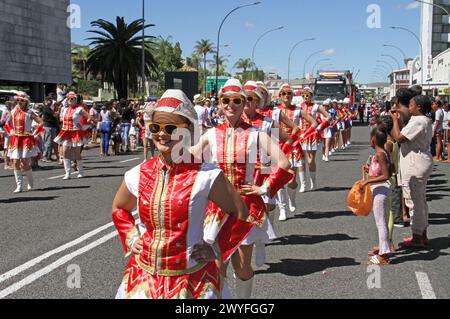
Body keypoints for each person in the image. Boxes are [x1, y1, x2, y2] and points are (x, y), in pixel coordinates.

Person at [112, 89, 252, 299]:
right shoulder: (137, 174)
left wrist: (216, 248)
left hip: (193, 280)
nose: (161, 134)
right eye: (155, 127)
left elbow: (239, 212)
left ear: (187, 130)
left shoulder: (207, 175)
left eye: (170, 127)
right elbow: (119, 209)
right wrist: (132, 238)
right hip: (142, 279)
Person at [192, 79, 293, 299]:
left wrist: (264, 188)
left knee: (242, 266)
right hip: (216, 209)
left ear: (243, 102)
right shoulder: (210, 135)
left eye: (236, 100)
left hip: (244, 208)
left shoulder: (257, 134)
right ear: (219, 103)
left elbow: (284, 163)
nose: (230, 105)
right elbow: (189, 158)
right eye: (225, 100)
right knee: (217, 265)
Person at [390, 94, 433, 248]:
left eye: (411, 104)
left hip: (415, 164)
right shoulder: (423, 120)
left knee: (414, 201)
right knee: (420, 200)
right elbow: (405, 134)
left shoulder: (418, 121)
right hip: (420, 162)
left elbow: (399, 138)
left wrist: (394, 120)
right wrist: (400, 121)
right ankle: (422, 234)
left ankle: (417, 236)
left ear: (419, 107)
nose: (409, 107)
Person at [359, 126, 394, 265]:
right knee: (382, 222)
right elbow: (388, 170)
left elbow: (386, 175)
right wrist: (370, 170)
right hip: (381, 189)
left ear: (373, 140)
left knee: (381, 223)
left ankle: (384, 255)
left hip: (380, 190)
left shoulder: (380, 154)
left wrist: (368, 180)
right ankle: (383, 249)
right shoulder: (383, 152)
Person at [6, 92, 43, 193]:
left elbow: (41, 123)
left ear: (26, 102)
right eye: (17, 100)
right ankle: (19, 186)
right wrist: (10, 131)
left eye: (21, 100)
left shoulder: (30, 112)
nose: (19, 102)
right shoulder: (13, 111)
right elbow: (6, 123)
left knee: (24, 163)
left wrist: (34, 133)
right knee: (15, 162)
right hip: (15, 139)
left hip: (26, 139)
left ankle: (30, 183)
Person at [299, 87, 331, 192]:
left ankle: (313, 182)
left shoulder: (316, 106)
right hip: (301, 135)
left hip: (312, 135)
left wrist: (320, 127)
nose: (305, 97)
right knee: (301, 160)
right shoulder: (299, 106)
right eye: (303, 95)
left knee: (311, 160)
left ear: (311, 96)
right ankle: (303, 184)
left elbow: (328, 117)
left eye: (307, 95)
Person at [54, 91, 91, 179]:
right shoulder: (65, 109)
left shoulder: (80, 109)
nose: (70, 100)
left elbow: (89, 117)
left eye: (72, 99)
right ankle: (68, 173)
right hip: (66, 132)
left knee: (76, 153)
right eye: (68, 99)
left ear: (75, 100)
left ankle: (81, 171)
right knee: (65, 151)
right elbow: (61, 120)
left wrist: (83, 126)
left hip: (76, 132)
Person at [41, 96, 59, 162]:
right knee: (48, 142)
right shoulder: (46, 108)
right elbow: (55, 115)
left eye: (51, 100)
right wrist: (57, 111)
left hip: (51, 126)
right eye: (49, 100)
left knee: (51, 142)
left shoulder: (49, 108)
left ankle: (49, 156)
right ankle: (45, 157)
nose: (51, 102)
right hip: (48, 127)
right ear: (46, 101)